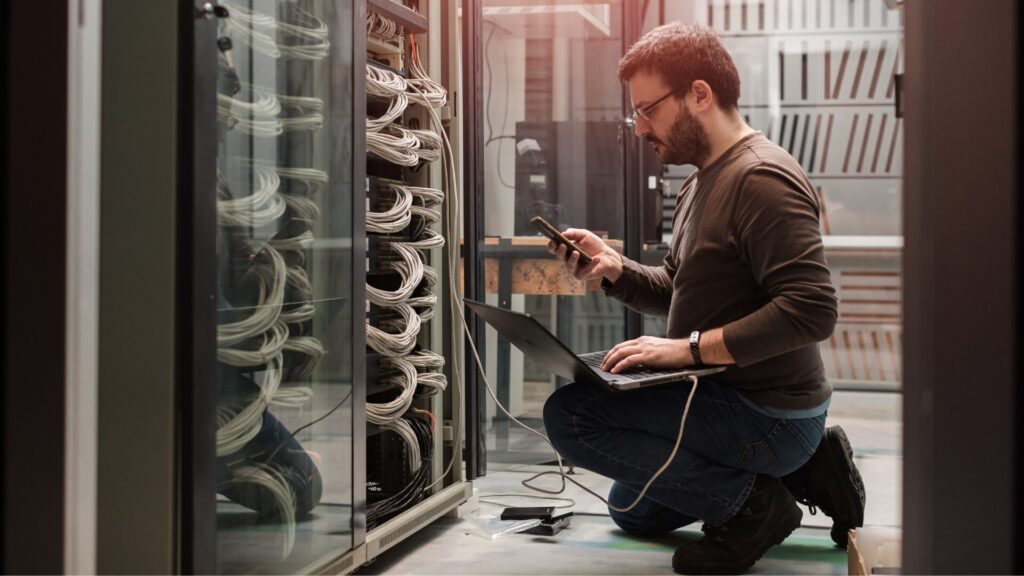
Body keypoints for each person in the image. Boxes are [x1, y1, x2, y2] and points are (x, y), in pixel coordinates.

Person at [543, 22, 865, 575]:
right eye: (635, 114)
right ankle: (805, 471)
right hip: (724, 394)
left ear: (699, 93)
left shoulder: (761, 178)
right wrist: (614, 270)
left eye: (648, 110)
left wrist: (686, 351)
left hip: (766, 411)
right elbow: (676, 287)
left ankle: (757, 506)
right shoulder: (700, 180)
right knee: (631, 511)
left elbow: (812, 309)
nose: (641, 129)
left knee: (573, 417)